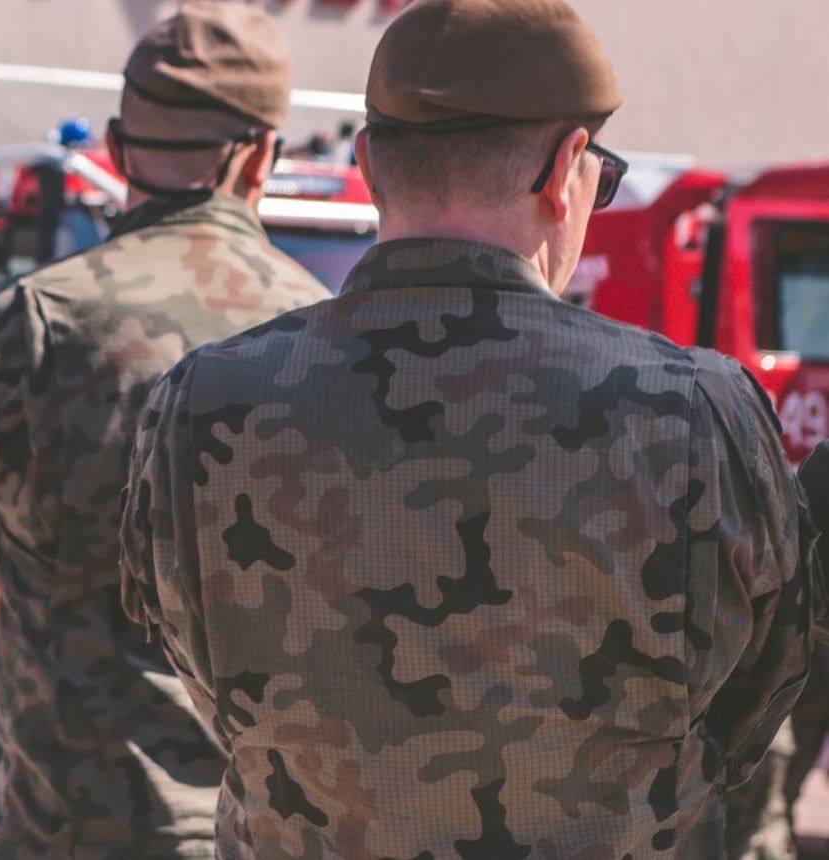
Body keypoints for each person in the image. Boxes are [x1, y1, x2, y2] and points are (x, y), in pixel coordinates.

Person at [120, 0, 818, 856]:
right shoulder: (694, 412)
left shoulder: (201, 404)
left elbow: (202, 676)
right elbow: (755, 706)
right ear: (567, 171)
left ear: (369, 164)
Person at [0, 3, 330, 856]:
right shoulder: (331, 337)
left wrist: (16, 586)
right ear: (263, 155)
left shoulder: (26, 322)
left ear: (114, 150)